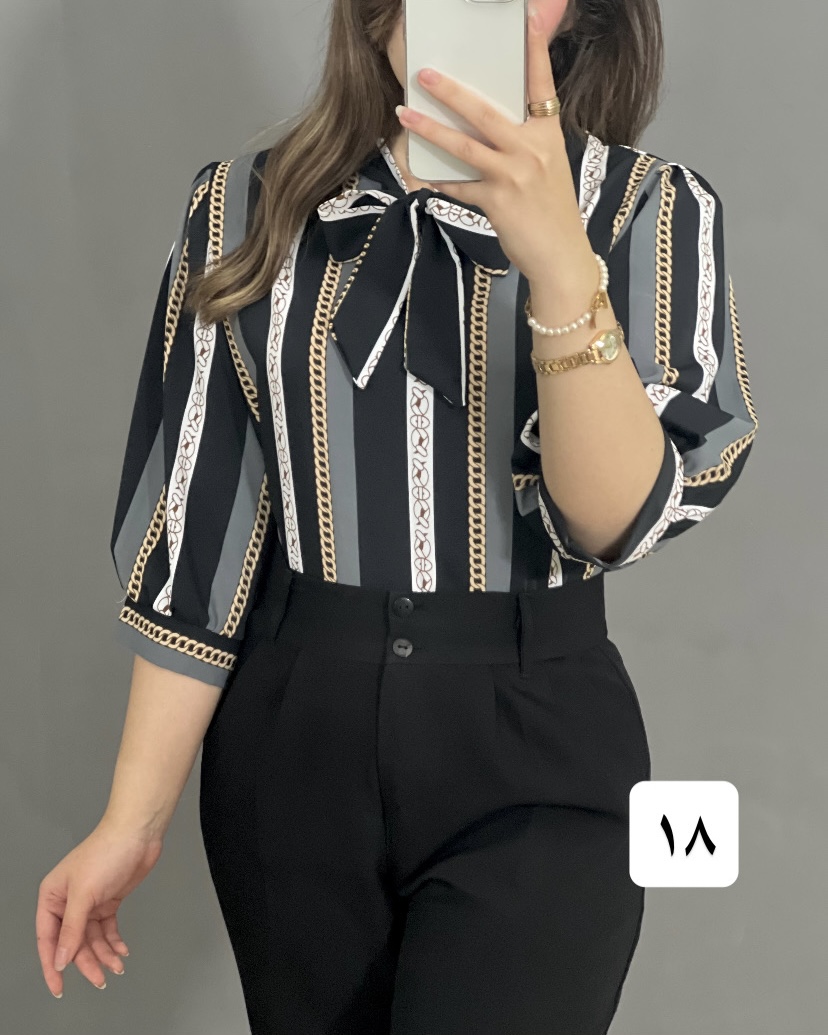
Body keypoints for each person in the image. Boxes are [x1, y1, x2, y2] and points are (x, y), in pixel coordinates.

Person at [36, 0, 759, 1031]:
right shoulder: (243, 205)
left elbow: (613, 521)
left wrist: (561, 262)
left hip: (537, 739)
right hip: (292, 746)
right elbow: (200, 543)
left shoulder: (653, 207)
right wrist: (130, 819)